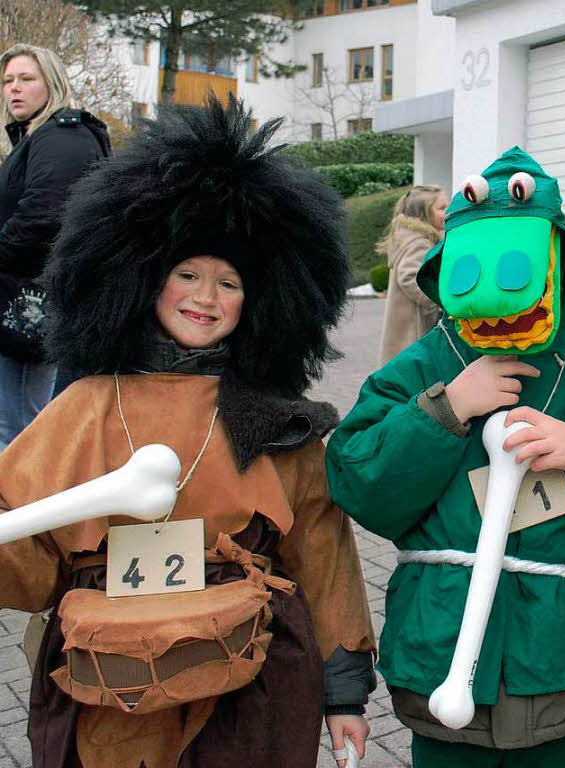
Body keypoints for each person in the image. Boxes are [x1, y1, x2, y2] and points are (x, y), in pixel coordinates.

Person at [0, 96, 375, 768]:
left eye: (229, 283)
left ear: (259, 300)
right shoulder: (84, 406)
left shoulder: (275, 418)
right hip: (108, 691)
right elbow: (25, 559)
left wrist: (343, 692)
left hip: (252, 689)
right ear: (143, 279)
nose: (206, 298)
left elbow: (324, 555)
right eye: (188, 274)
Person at [326, 147, 565, 767]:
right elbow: (358, 480)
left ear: (560, 265)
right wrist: (442, 411)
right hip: (442, 666)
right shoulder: (417, 371)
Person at [0, 44, 110, 449]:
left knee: (18, 434)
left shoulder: (62, 136)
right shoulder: (43, 137)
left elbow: (43, 219)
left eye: (27, 79)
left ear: (53, 83)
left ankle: (18, 511)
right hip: (23, 305)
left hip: (28, 309)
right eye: (8, 80)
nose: (14, 88)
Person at [377, 184, 448, 366]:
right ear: (423, 213)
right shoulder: (419, 242)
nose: (447, 212)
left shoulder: (410, 237)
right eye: (441, 208)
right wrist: (436, 301)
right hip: (412, 326)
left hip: (406, 326)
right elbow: (410, 277)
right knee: (413, 372)